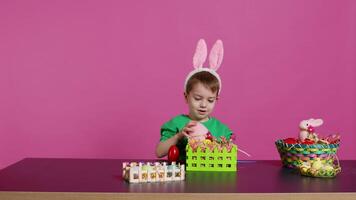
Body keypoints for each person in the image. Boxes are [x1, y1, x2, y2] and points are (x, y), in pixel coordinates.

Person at [155, 39, 232, 161]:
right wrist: (179, 136)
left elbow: (228, 157)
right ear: (186, 97)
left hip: (211, 178)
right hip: (182, 177)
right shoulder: (177, 123)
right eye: (197, 98)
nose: (203, 105)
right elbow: (159, 152)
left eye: (210, 100)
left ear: (216, 100)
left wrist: (211, 142)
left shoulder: (221, 129)